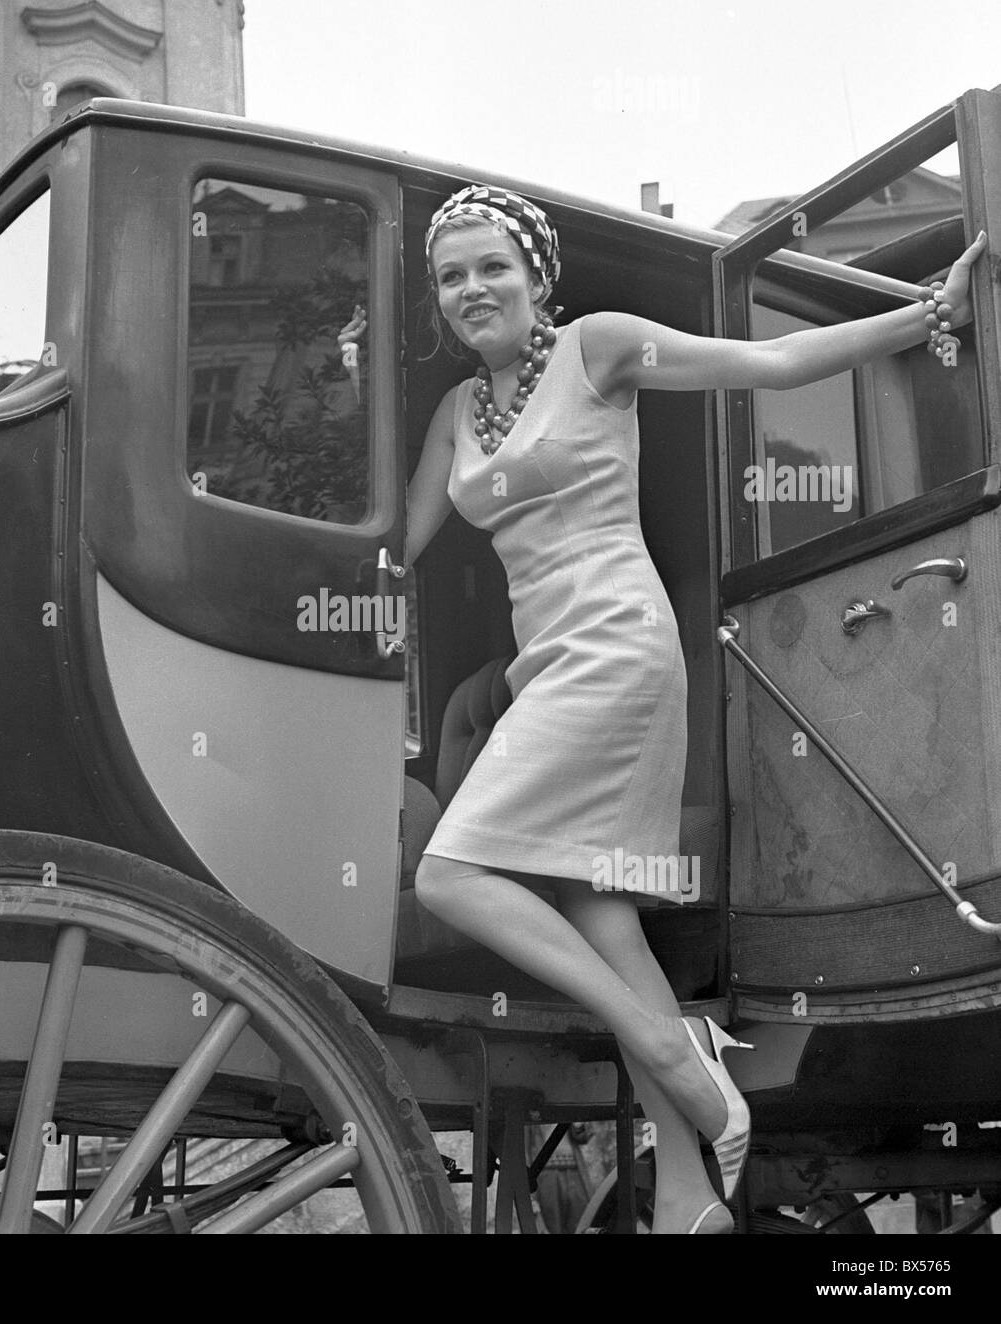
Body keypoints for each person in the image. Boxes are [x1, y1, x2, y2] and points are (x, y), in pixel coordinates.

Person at [345, 182, 987, 1234]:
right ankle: (690, 1199)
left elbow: (769, 365)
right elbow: (390, 548)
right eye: (450, 275)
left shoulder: (599, 349)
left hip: (620, 654)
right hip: (549, 662)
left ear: (536, 276)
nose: (471, 289)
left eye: (491, 266)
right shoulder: (456, 415)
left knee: (453, 874)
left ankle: (662, 1045)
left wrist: (930, 316)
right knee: (605, 920)